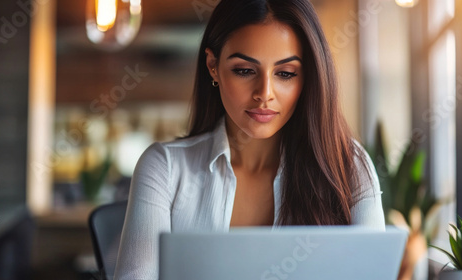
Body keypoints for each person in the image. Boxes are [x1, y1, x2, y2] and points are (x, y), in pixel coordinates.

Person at [114, 0, 384, 279]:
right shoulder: (165, 169)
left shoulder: (349, 167)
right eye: (244, 70)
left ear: (308, 77)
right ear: (213, 66)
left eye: (285, 73)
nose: (264, 93)